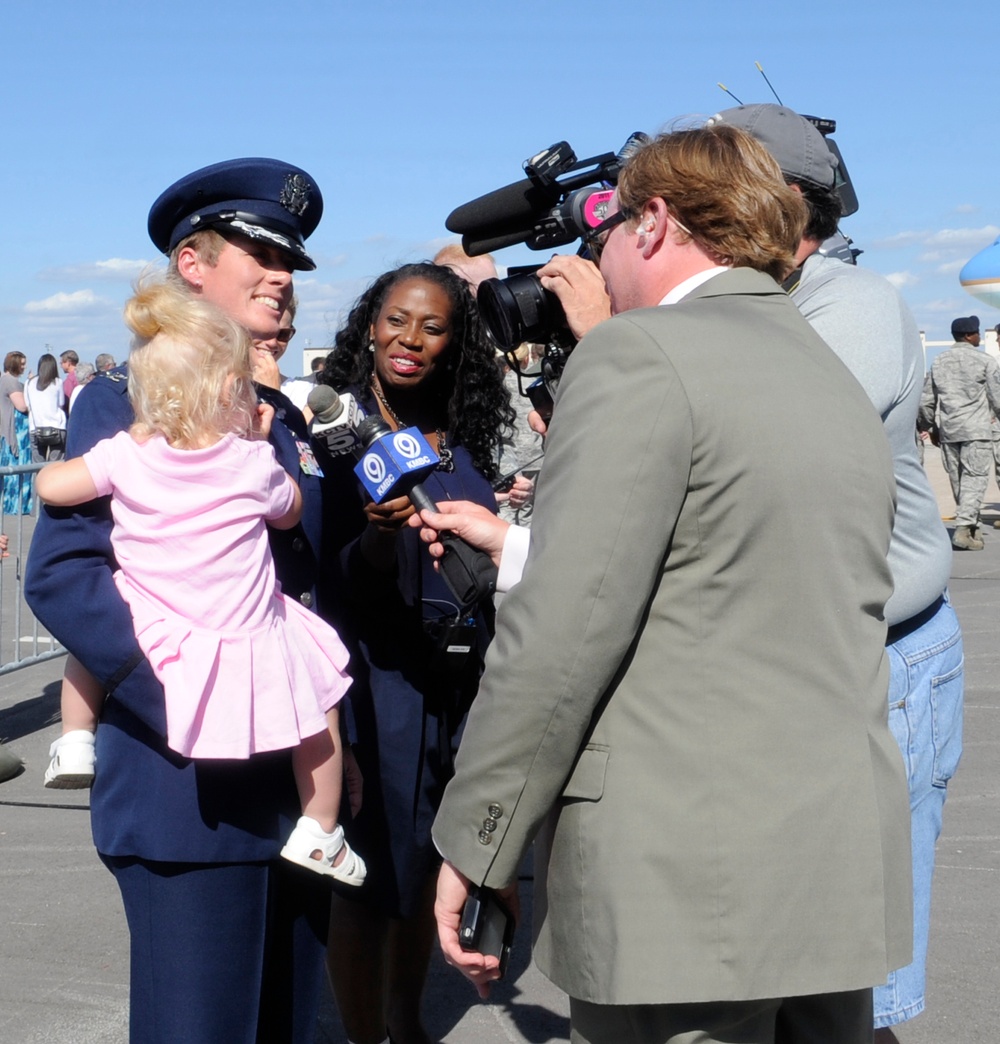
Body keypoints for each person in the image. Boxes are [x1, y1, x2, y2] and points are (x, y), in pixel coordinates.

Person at [426, 126, 911, 1044]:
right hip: (829, 863)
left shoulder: (641, 356)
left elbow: (562, 633)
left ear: (651, 223)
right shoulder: (823, 369)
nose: (596, 261)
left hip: (687, 878)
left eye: (600, 238)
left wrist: (478, 841)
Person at [25, 157, 335, 1043]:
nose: (282, 278)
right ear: (192, 265)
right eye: (258, 253)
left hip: (295, 782)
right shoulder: (129, 403)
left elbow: (303, 567)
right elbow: (66, 577)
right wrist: (209, 698)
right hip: (188, 785)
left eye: (292, 264)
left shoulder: (279, 410)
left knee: (286, 1026)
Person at [37, 279, 364, 884]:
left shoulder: (126, 453)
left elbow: (53, 487)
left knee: (86, 654)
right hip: (244, 630)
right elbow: (290, 510)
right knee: (318, 714)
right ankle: (321, 831)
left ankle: (75, 738)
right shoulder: (250, 460)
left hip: (155, 618)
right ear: (228, 393)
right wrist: (263, 444)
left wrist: (81, 465)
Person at [319, 261, 513, 1044]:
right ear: (370, 324)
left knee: (429, 868)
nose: (411, 340)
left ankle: (407, 1024)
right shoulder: (335, 430)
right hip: (372, 680)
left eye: (433, 328)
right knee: (370, 879)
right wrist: (377, 532)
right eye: (397, 320)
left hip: (456, 679)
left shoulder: (458, 426)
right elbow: (331, 579)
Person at [920, 315, 1000, 550]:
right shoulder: (985, 361)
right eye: (976, 333)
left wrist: (929, 428)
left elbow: (926, 402)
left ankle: (972, 527)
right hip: (976, 430)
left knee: (958, 480)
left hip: (949, 432)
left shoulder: (939, 361)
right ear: (969, 335)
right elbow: (997, 398)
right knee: (974, 479)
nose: (978, 337)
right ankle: (964, 528)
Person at [0, 351, 33, 514]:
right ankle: (17, 505)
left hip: (6, 431)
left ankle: (10, 504)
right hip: (16, 433)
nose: (24, 366)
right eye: (22, 363)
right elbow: (21, 406)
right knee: (17, 470)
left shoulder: (3, 380)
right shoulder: (11, 382)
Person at [24, 353, 67, 461]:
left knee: (38, 466)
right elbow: (61, 403)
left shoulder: (29, 383)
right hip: (56, 427)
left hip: (35, 427)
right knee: (55, 465)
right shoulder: (57, 382)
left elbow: (27, 404)